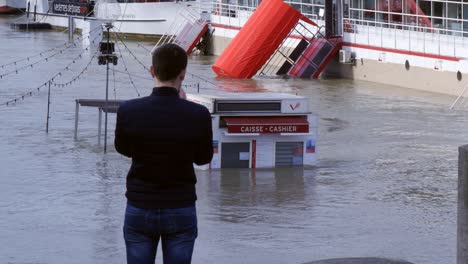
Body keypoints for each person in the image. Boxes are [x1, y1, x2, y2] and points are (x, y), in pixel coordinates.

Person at [114, 43, 213, 264]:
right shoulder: (198, 114)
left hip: (140, 205)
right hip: (180, 206)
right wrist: (185, 106)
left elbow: (122, 148)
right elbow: (203, 158)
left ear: (152, 71)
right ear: (183, 73)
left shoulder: (129, 110)